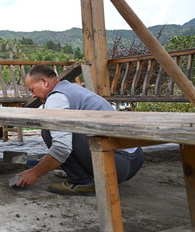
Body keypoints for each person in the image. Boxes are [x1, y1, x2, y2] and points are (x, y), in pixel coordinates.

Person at [16, 65, 144, 196]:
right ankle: (81, 175)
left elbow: (62, 148)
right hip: (135, 158)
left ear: (44, 81)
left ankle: (81, 182)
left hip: (118, 166)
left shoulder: (56, 98)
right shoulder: (71, 88)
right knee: (64, 132)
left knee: (48, 131)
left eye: (32, 90)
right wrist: (49, 160)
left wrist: (34, 173)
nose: (33, 95)